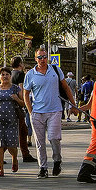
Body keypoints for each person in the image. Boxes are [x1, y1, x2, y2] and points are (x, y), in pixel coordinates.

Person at [23, 48, 79, 178]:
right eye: (39, 57)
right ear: (35, 59)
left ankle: (57, 161)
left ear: (47, 58)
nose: (42, 60)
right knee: (39, 142)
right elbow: (26, 94)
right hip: (37, 112)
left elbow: (65, 87)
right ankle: (43, 168)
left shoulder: (55, 70)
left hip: (54, 110)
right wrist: (30, 111)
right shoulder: (30, 74)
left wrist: (74, 105)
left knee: (54, 138)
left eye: (44, 57)